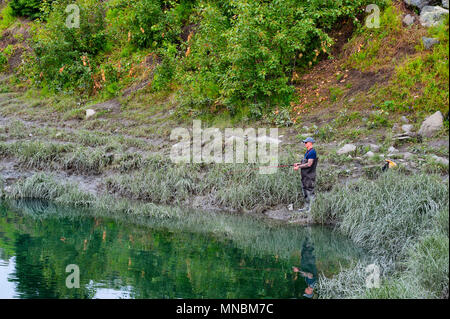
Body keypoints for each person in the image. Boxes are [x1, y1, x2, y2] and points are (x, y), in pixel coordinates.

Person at [294, 137, 318, 213]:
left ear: (310, 143)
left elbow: (309, 164)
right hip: (305, 176)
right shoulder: (307, 152)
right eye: (304, 142)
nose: (305, 144)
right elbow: (306, 162)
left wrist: (299, 166)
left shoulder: (312, 152)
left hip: (309, 175)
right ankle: (307, 207)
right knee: (305, 191)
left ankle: (312, 209)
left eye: (306, 142)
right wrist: (298, 163)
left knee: (310, 191)